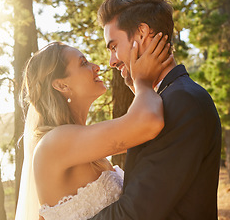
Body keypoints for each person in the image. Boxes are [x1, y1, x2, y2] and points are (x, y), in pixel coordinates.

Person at [89, 0, 222, 220]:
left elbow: (137, 212)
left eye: (113, 46)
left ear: (141, 33)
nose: (111, 61)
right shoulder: (169, 97)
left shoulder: (182, 102)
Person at [15, 33, 173, 220]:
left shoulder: (82, 144)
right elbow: (149, 123)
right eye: (83, 63)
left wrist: (136, 87)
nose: (96, 67)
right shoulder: (55, 142)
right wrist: (142, 82)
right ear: (62, 85)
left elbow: (148, 136)